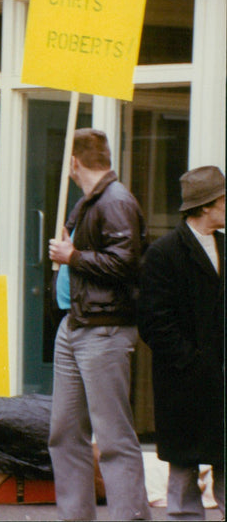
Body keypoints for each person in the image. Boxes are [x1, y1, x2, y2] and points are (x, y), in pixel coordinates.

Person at [47, 128, 151, 520]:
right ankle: (76, 515)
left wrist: (73, 255)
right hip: (77, 324)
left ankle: (131, 517)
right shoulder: (93, 201)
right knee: (64, 431)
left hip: (103, 328)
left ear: (74, 162)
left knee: (112, 435)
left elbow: (125, 264)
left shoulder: (115, 201)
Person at [137, 166, 225, 520]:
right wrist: (191, 361)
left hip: (218, 378)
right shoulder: (165, 253)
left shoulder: (223, 245)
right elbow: (154, 322)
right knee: (185, 469)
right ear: (205, 206)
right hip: (184, 381)